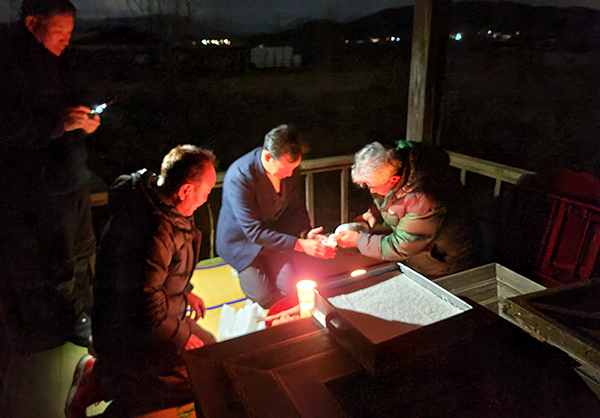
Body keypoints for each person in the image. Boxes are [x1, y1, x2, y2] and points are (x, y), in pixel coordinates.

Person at [0, 1, 101, 416]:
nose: (67, 38)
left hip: (73, 180)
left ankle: (80, 317)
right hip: (40, 188)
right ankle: (55, 327)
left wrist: (87, 120)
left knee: (81, 253)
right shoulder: (12, 67)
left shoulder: (60, 65)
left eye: (71, 31)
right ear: (31, 24)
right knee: (56, 259)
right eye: (60, 30)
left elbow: (74, 106)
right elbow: (9, 127)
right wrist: (58, 125)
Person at [91, 145, 217, 416]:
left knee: (211, 351)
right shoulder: (151, 231)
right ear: (185, 190)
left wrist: (186, 291)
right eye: (206, 191)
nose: (207, 198)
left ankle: (107, 376)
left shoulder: (169, 211)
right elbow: (144, 307)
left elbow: (160, 275)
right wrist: (181, 335)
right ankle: (99, 382)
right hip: (130, 335)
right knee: (193, 377)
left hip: (154, 322)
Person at [216, 124, 336, 308]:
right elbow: (253, 232)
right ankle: (240, 268)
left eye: (294, 167)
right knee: (263, 297)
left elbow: (295, 208)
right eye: (285, 168)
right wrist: (300, 245)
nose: (289, 173)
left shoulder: (290, 168)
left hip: (273, 235)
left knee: (290, 288)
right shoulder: (240, 176)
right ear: (267, 156)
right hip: (242, 241)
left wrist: (305, 234)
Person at [337, 141, 479, 278]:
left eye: (371, 185)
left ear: (394, 180)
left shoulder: (424, 198)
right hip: (417, 253)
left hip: (439, 261)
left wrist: (359, 241)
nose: (371, 190)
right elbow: (389, 202)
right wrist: (371, 215)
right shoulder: (394, 164)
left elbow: (401, 246)